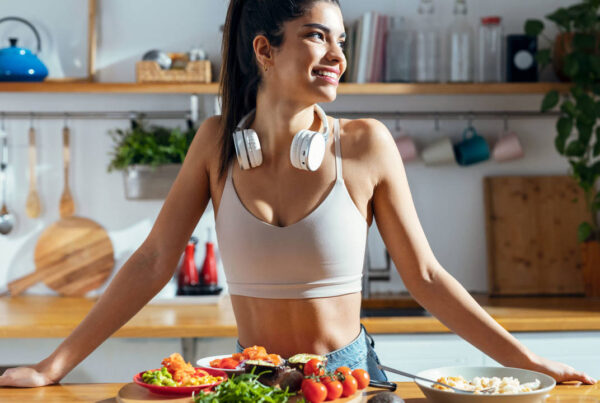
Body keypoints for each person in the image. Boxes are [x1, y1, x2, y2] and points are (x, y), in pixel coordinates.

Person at [0, 0, 595, 387]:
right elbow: (154, 260)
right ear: (265, 49)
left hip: (349, 382)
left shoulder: (366, 143)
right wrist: (51, 367)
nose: (339, 56)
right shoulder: (214, 144)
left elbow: (428, 278)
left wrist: (528, 364)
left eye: (342, 41)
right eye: (317, 38)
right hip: (248, 382)